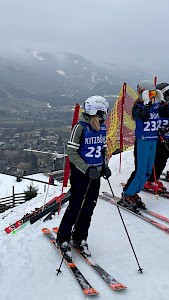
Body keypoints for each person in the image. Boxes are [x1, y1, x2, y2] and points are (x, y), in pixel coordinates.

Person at [56, 96, 111, 259]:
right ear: (97, 111)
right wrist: (86, 169)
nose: (105, 115)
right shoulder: (80, 127)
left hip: (96, 174)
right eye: (103, 111)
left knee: (89, 207)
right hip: (82, 174)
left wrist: (105, 166)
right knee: (75, 205)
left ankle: (80, 237)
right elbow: (71, 152)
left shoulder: (102, 127)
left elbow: (103, 149)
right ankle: (63, 238)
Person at [119, 80, 169, 210]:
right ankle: (127, 193)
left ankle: (135, 192)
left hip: (153, 140)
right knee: (140, 170)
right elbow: (145, 117)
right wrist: (147, 103)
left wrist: (163, 102)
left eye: (153, 93)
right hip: (143, 140)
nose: (151, 95)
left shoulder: (156, 105)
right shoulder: (138, 107)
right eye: (149, 93)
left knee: (148, 170)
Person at [144, 82, 169, 192]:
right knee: (154, 159)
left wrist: (165, 130)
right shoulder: (156, 103)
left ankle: (155, 178)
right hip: (157, 137)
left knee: (163, 159)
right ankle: (150, 179)